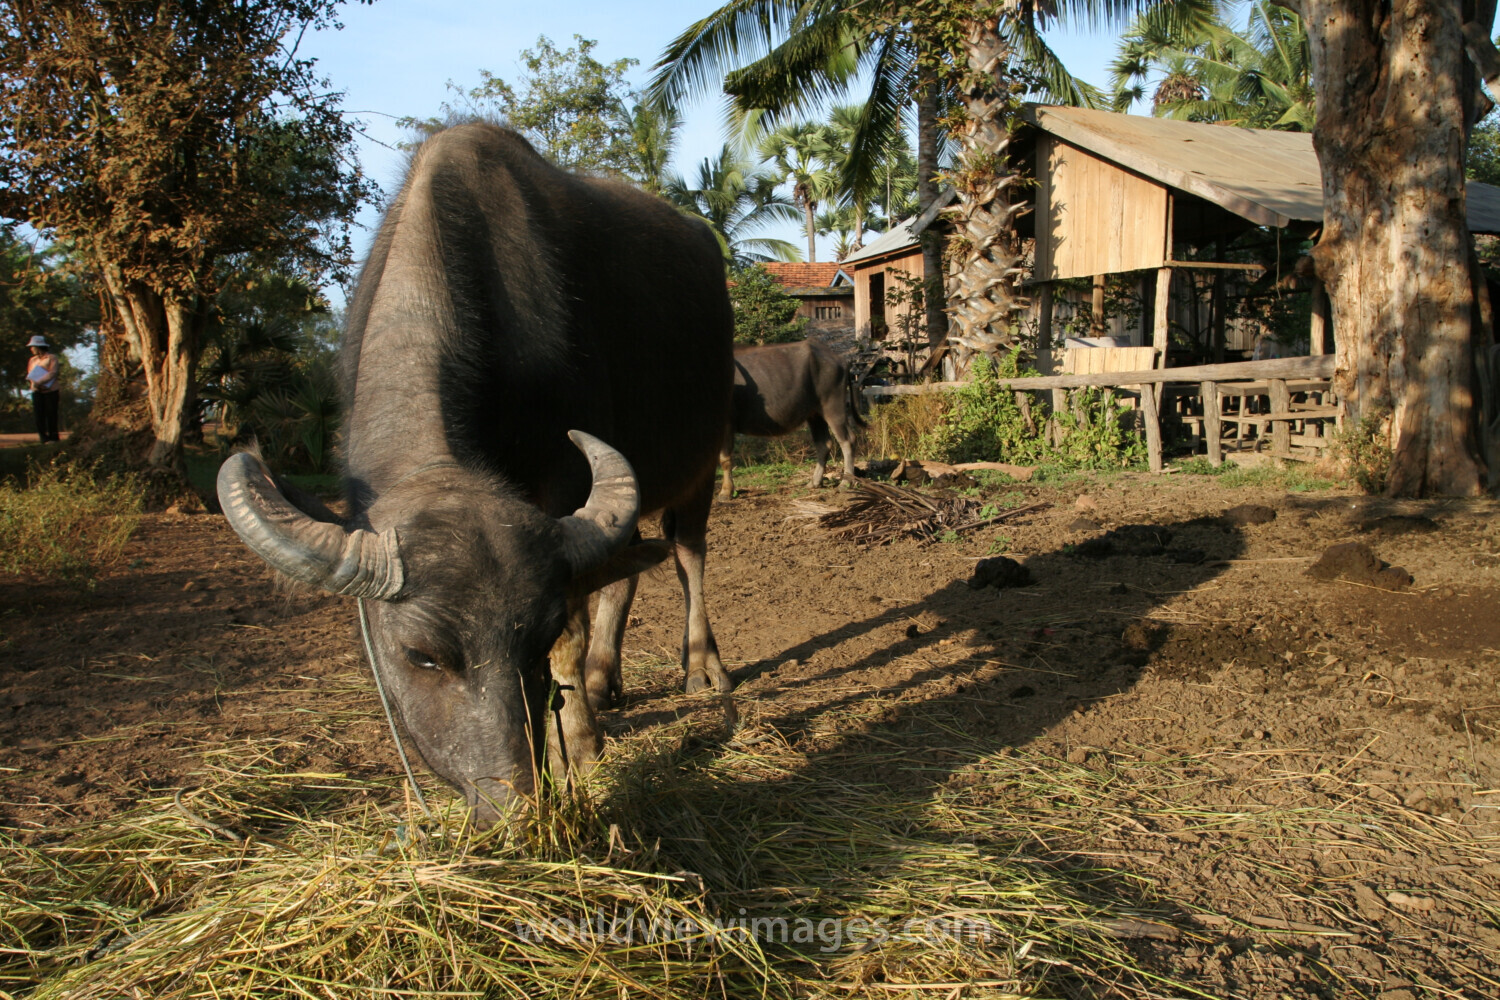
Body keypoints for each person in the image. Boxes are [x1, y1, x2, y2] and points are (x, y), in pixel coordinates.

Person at [24, 335, 61, 443]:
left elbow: (53, 373)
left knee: (51, 414)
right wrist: (35, 384)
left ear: (38, 347)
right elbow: (31, 374)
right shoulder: (32, 360)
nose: (31, 349)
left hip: (51, 391)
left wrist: (40, 382)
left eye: (32, 347)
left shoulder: (51, 358)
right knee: (39, 415)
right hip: (37, 391)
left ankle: (53, 437)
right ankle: (43, 438)